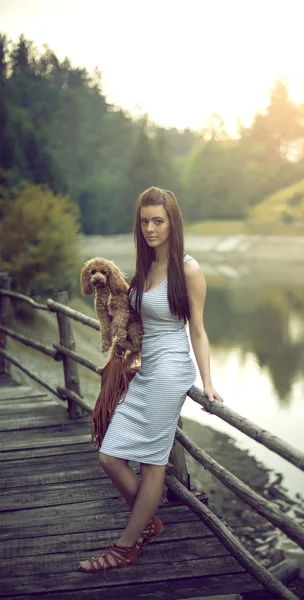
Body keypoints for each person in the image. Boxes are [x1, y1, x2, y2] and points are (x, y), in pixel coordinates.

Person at [78, 186, 223, 573]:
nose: (150, 228)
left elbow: (199, 331)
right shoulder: (143, 270)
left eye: (158, 221)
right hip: (144, 370)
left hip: (172, 370)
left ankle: (127, 544)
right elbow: (132, 318)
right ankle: (148, 523)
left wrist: (207, 382)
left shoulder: (187, 269)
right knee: (110, 456)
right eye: (144, 221)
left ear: (173, 223)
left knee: (153, 464)